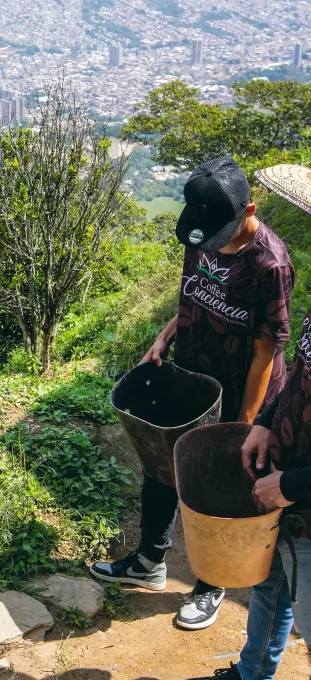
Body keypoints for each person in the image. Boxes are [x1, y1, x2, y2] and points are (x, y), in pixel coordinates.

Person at [90, 157, 295, 631]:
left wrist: (242, 425)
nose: (210, 241)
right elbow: (191, 294)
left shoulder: (271, 264)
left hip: (241, 387)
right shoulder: (201, 234)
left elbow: (266, 351)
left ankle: (211, 584)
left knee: (218, 482)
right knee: (163, 460)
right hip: (191, 372)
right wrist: (164, 338)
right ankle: (149, 561)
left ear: (249, 210)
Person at [194, 163, 311, 680]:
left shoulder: (271, 263)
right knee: (272, 584)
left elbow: (270, 352)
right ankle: (252, 672)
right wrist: (266, 420)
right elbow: (301, 373)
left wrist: (291, 485)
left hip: (301, 486)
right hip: (290, 469)